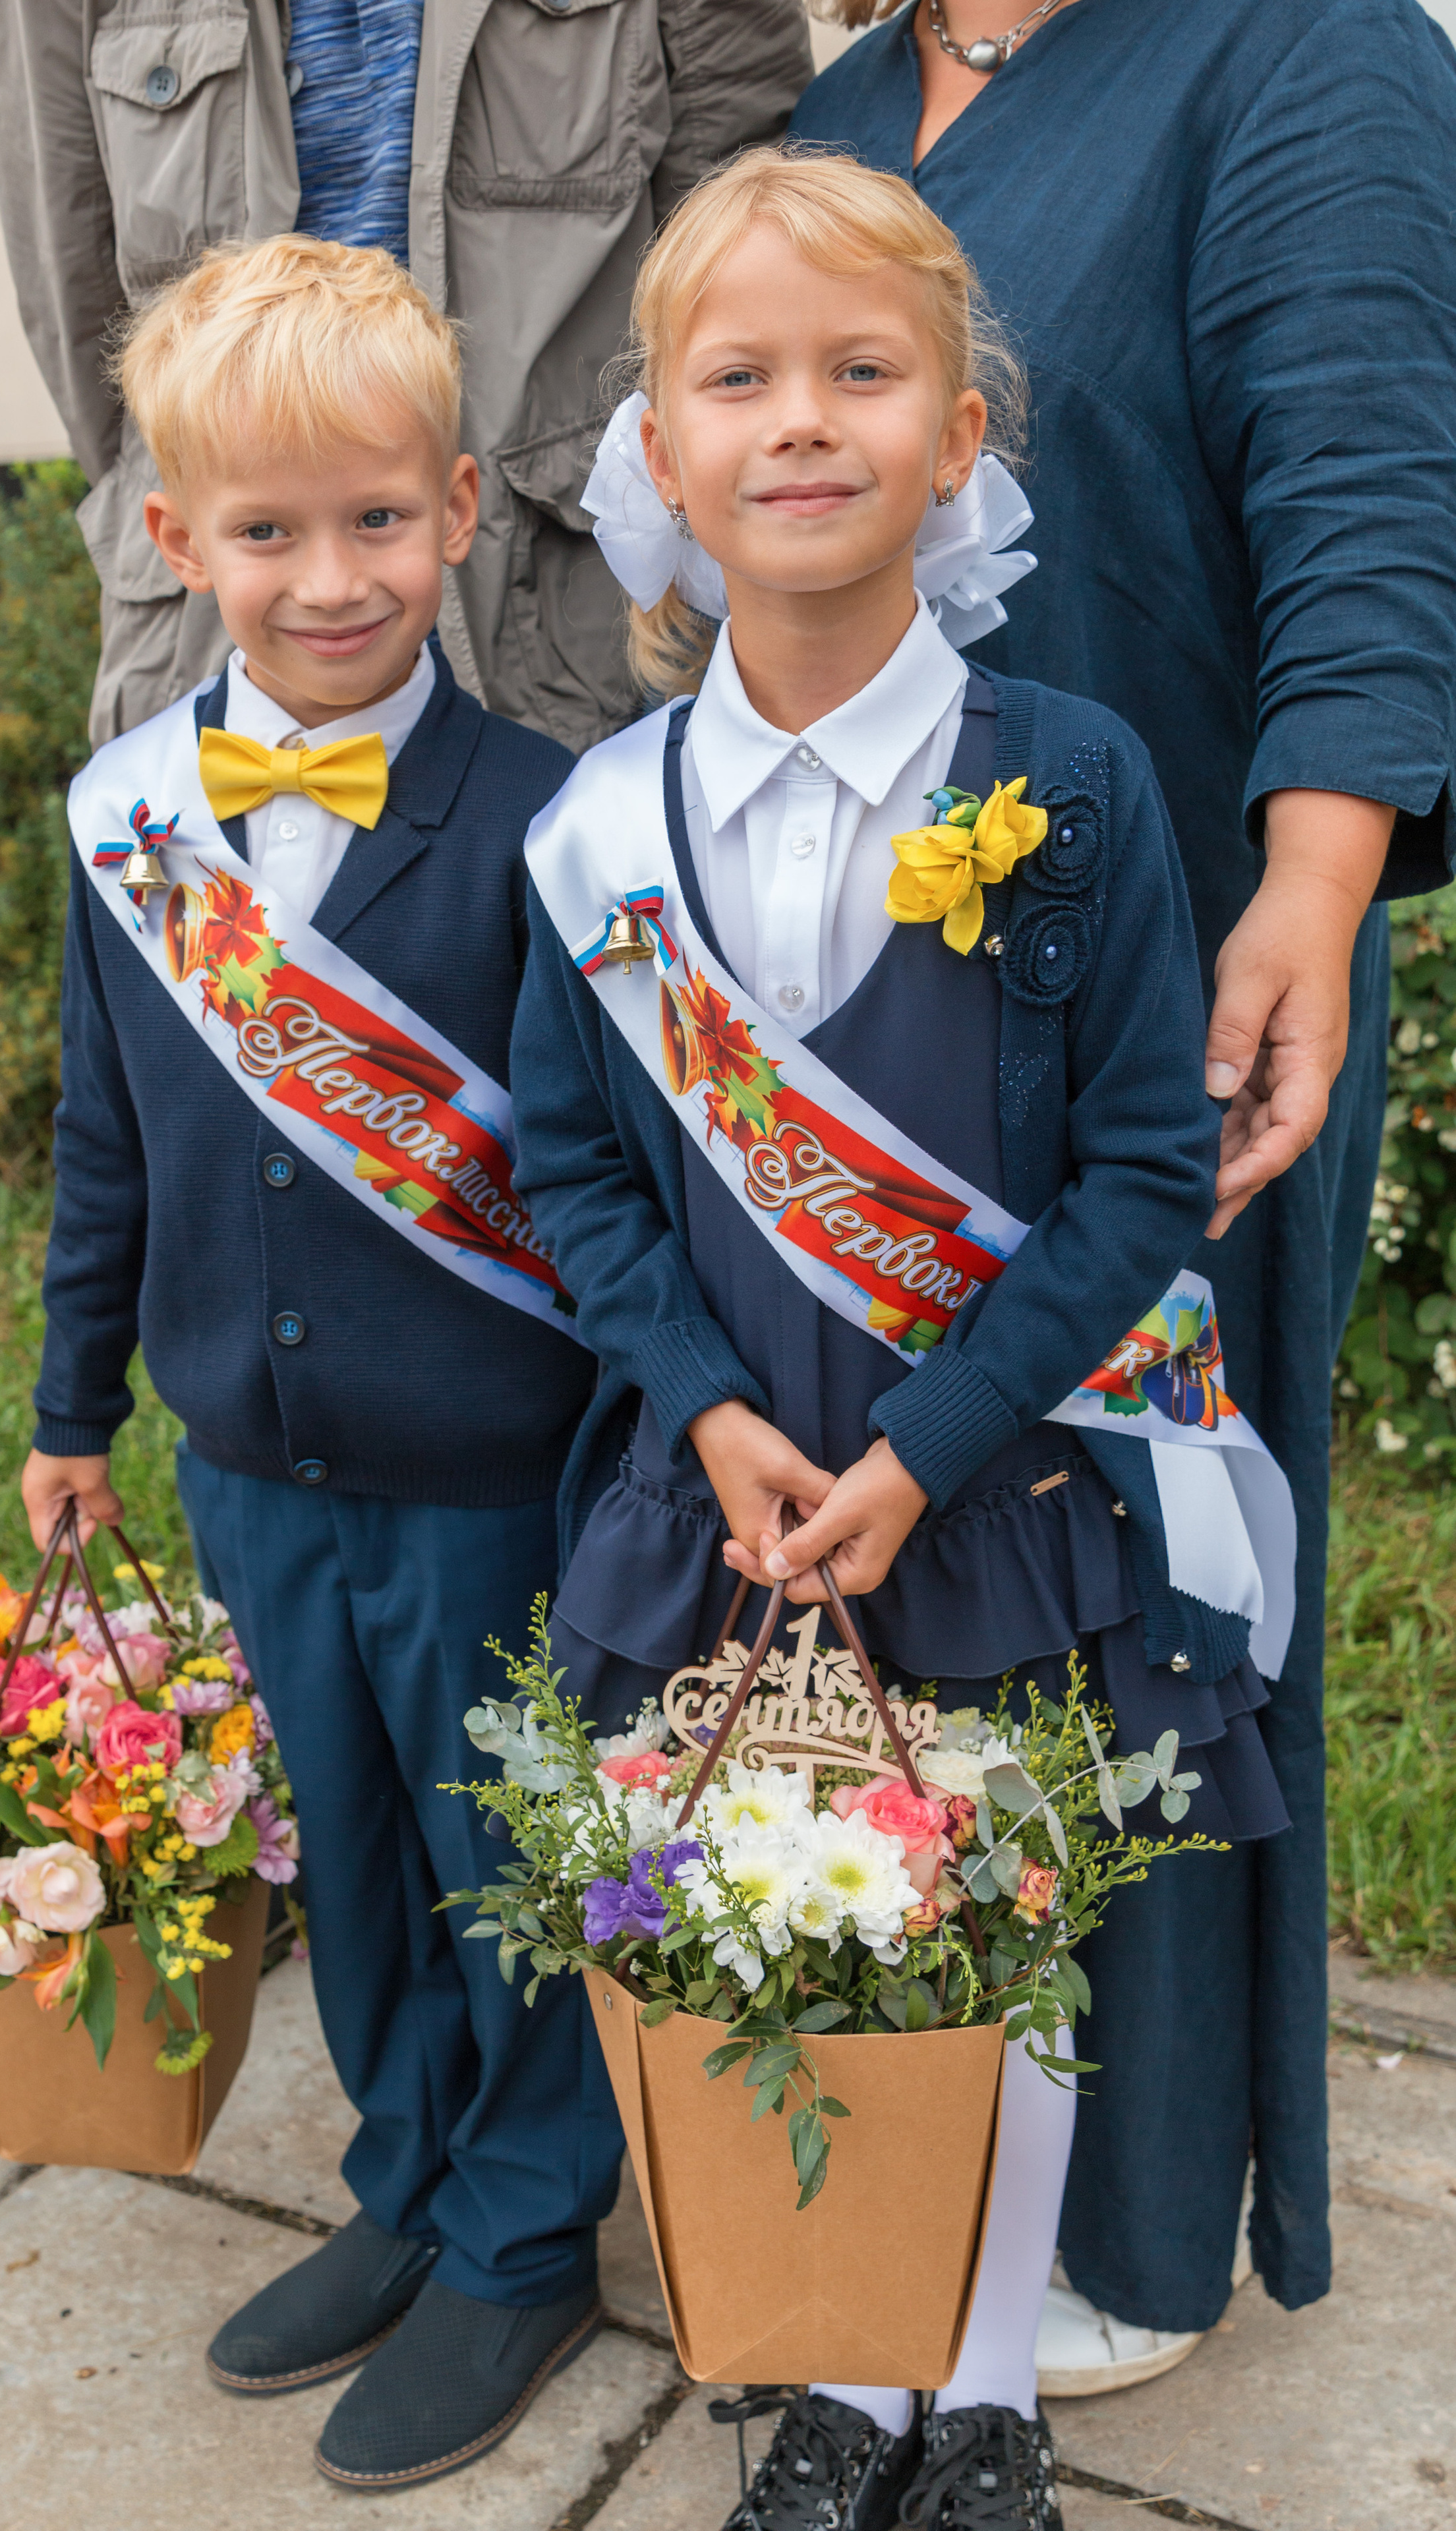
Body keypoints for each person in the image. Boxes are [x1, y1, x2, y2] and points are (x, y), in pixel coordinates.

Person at [510, 148, 1294, 2531]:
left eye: (862, 373)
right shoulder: (596, 830)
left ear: (961, 433)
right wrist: (711, 1409)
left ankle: (977, 2397)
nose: (798, 423)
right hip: (730, 1503)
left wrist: (927, 1440)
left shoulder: (1072, 782)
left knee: (986, 1941)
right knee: (785, 1924)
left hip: (990, 1503)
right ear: (655, 451)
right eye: (734, 377)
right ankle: (834, 2371)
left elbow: (1144, 1176)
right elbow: (572, 1170)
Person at [788, 0, 1456, 2396]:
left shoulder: (1297, 51)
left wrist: (1317, 877)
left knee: (1151, 1588)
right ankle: (921, 2121)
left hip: (1178, 1003)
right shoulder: (842, 107)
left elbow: (1364, 486)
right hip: (860, 1026)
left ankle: (1140, 2205)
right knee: (939, 1573)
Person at [18, 234, 626, 2491]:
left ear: (463, 508)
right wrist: (77, 1401)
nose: (332, 575)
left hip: (492, 1469)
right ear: (178, 542)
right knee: (350, 1857)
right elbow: (111, 1140)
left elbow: (605, 1176)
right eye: (267, 531)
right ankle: (408, 2181)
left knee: (505, 1853)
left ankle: (527, 2232)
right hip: (248, 1461)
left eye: (378, 519)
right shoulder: (125, 824)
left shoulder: (563, 816)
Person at [0, 0, 814, 755]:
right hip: (219, 650)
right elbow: (81, 301)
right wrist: (238, 521)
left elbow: (738, 269)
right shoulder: (127, 802)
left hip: (567, 643)